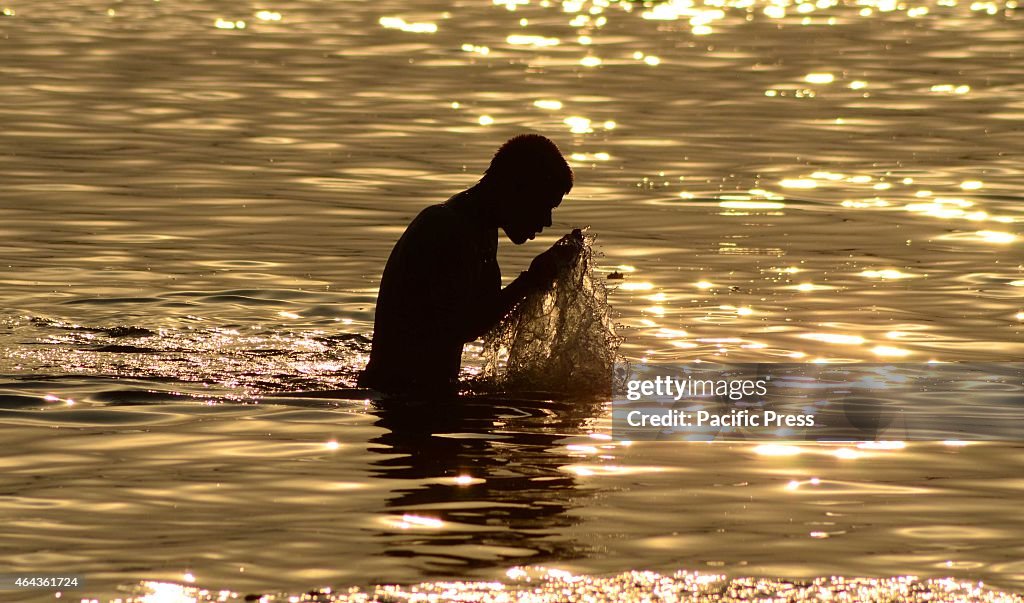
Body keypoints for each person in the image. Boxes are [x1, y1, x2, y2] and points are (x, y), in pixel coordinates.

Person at [358, 134, 579, 397]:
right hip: (401, 397)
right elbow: (459, 326)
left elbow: (480, 314)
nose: (547, 221)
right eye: (544, 206)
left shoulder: (479, 229)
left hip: (427, 395)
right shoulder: (445, 228)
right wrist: (530, 280)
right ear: (517, 189)